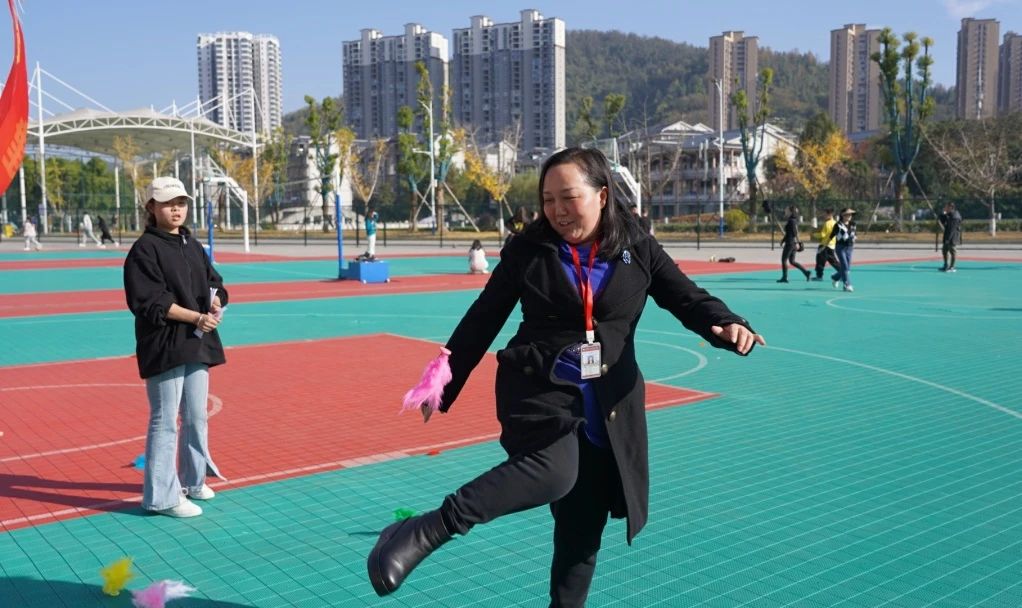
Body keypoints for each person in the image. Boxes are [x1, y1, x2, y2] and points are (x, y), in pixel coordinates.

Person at [366, 147, 765, 606]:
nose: (557, 210)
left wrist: (725, 322)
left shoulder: (637, 246)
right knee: (554, 470)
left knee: (581, 537)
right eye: (548, 199)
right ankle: (426, 529)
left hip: (608, 407)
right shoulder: (529, 250)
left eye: (569, 197)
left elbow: (686, 296)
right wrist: (441, 382)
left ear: (602, 195)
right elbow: (483, 317)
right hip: (540, 390)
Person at [123, 176, 228, 518]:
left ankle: (193, 480)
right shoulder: (144, 250)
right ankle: (161, 498)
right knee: (165, 419)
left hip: (196, 343)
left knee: (196, 416)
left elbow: (214, 282)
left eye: (181, 202)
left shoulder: (191, 245)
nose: (176, 209)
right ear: (151, 208)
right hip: (165, 344)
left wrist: (216, 301)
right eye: (168, 203)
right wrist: (195, 317)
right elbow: (150, 301)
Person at [777, 205, 810, 283]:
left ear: (791, 212)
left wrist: (799, 243)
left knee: (784, 260)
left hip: (790, 243)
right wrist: (783, 240)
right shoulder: (792, 220)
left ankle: (785, 277)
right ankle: (806, 273)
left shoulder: (791, 221)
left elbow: (795, 232)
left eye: (787, 210)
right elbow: (789, 233)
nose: (785, 211)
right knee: (792, 261)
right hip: (792, 243)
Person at [829, 207, 857, 292]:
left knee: (847, 268)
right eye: (847, 214)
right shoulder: (838, 225)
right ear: (843, 215)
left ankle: (835, 277)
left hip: (849, 248)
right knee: (845, 266)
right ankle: (847, 285)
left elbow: (854, 234)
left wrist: (855, 238)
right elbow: (831, 236)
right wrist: (825, 245)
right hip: (840, 248)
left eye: (850, 214)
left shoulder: (853, 224)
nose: (849, 216)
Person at [811, 208, 840, 281]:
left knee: (820, 261)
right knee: (833, 261)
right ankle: (843, 273)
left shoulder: (827, 223)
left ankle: (819, 276)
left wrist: (814, 234)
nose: (823, 215)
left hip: (824, 245)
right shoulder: (835, 223)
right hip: (832, 245)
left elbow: (822, 234)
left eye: (825, 214)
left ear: (829, 214)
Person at [938, 202, 962, 272]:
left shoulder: (955, 216)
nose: (945, 208)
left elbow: (952, 229)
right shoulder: (949, 214)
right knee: (944, 250)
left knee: (952, 251)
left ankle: (952, 267)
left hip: (953, 236)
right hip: (947, 235)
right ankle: (946, 265)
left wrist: (948, 239)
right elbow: (943, 221)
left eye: (946, 207)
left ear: (950, 207)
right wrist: (942, 214)